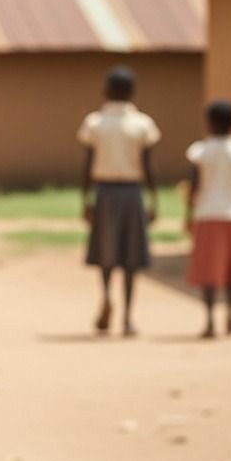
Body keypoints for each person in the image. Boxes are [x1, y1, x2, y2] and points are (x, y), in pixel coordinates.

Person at [78, 65, 160, 336]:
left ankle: (105, 297)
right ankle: (127, 317)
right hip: (132, 192)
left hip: (104, 192)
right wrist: (154, 200)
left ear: (106, 91)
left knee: (106, 252)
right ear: (132, 92)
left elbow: (87, 165)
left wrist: (85, 199)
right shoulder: (142, 124)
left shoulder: (95, 123)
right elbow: (148, 167)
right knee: (131, 257)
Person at [185, 99, 231, 338]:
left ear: (208, 124)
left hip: (207, 216)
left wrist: (189, 214)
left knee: (209, 272)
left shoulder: (200, 152)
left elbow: (193, 187)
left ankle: (209, 321)